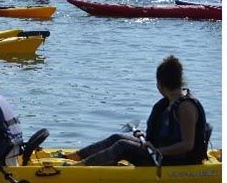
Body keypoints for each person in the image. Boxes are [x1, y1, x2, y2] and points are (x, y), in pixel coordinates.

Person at [65, 55, 210, 166]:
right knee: (117, 137)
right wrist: (147, 138)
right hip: (161, 152)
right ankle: (71, 158)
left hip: (176, 161)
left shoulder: (186, 107)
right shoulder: (169, 102)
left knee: (123, 146)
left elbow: (187, 145)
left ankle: (77, 168)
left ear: (160, 84)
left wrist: (157, 150)